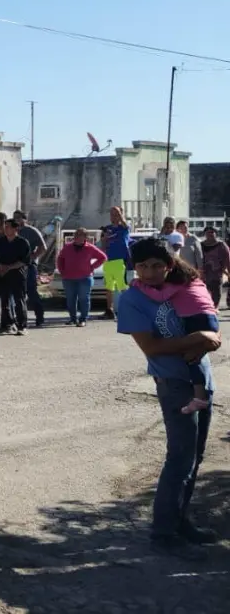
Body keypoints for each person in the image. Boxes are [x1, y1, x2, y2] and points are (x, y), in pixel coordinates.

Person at [116, 237, 220, 558]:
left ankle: (180, 520)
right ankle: (163, 531)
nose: (150, 272)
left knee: (195, 457)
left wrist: (206, 337)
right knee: (179, 457)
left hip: (202, 378)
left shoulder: (183, 288)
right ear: (134, 268)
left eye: (157, 266)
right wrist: (198, 339)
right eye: (143, 266)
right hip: (173, 383)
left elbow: (209, 325)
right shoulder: (132, 300)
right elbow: (153, 347)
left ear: (169, 265)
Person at [135, 262, 218, 416]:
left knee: (192, 357)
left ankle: (200, 396)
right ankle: (201, 394)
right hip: (209, 317)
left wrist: (140, 285)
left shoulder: (177, 285)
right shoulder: (196, 282)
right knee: (196, 354)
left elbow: (159, 296)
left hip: (196, 319)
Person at [55, 228, 106, 327]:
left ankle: (83, 319)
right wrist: (62, 271)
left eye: (80, 235)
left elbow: (103, 257)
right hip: (68, 278)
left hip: (85, 278)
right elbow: (60, 258)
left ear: (85, 237)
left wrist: (92, 266)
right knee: (70, 299)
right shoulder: (67, 247)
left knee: (84, 299)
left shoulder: (90, 248)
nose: (77, 236)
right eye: (76, 234)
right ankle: (72, 318)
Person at [0, 220, 32, 335]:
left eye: (8, 227)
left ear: (16, 229)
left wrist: (9, 267)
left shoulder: (22, 242)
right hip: (2, 274)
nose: (6, 229)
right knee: (4, 300)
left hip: (17, 274)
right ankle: (7, 324)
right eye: (5, 227)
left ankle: (22, 325)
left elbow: (24, 261)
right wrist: (0, 267)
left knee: (19, 300)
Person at [12, 211, 46, 327]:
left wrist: (33, 257)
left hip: (29, 266)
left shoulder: (31, 231)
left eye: (18, 218)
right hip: (14, 265)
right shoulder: (12, 231)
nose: (16, 220)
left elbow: (43, 247)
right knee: (17, 293)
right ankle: (18, 319)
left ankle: (40, 317)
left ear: (24, 219)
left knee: (31, 291)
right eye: (14, 217)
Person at [100, 206, 132, 320]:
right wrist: (105, 240)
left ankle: (131, 309)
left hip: (120, 260)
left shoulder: (124, 227)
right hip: (108, 261)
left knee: (122, 286)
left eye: (116, 213)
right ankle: (109, 310)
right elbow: (103, 247)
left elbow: (125, 225)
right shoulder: (107, 229)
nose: (114, 216)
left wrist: (120, 215)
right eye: (112, 214)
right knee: (109, 287)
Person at [199, 226, 230, 308]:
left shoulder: (221, 245)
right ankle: (206, 309)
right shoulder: (200, 245)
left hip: (216, 274)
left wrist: (228, 272)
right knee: (203, 294)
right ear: (204, 234)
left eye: (212, 232)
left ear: (216, 234)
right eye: (208, 232)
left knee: (216, 294)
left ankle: (214, 308)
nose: (210, 234)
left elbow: (228, 259)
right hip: (203, 274)